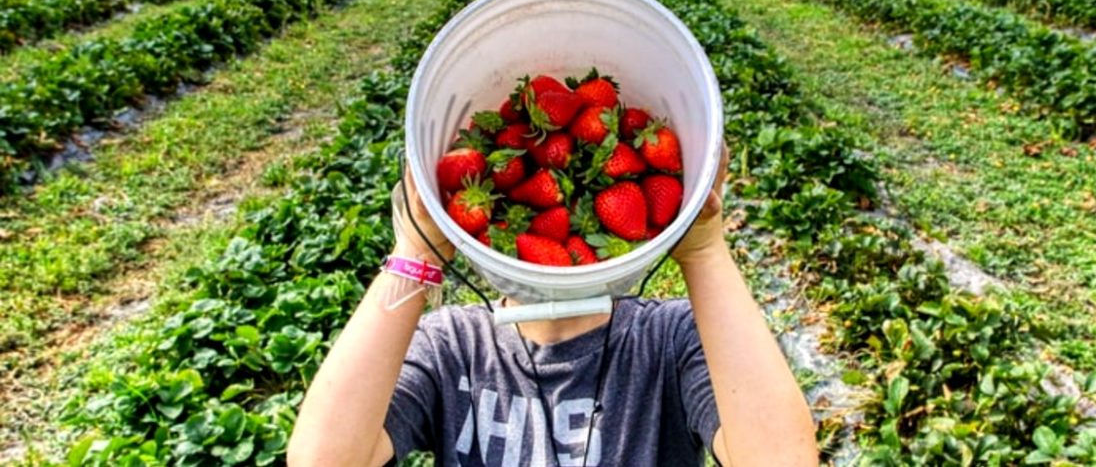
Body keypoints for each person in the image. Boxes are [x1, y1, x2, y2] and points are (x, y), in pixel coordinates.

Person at [287, 147, 819, 466]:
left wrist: (703, 250)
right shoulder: (450, 348)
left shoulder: (670, 340)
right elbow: (323, 460)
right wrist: (415, 252)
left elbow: (782, 460)